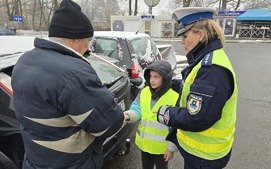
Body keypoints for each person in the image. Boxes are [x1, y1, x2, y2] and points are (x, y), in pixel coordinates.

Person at [11, 0, 126, 168]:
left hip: (35, 161)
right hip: (72, 163)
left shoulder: (24, 61)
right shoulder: (74, 73)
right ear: (76, 40)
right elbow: (109, 123)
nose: (88, 48)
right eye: (88, 41)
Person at [156, 7, 238, 169]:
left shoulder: (211, 68)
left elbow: (198, 117)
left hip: (204, 157)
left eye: (185, 36)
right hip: (202, 153)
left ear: (201, 34)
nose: (182, 41)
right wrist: (170, 83)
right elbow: (196, 91)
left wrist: (166, 113)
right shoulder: (207, 59)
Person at [124, 60, 179, 169]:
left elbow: (176, 126)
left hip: (161, 149)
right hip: (144, 145)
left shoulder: (174, 97)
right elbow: (137, 108)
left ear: (165, 78)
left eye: (156, 77)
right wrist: (128, 115)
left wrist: (171, 148)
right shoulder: (144, 92)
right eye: (150, 76)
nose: (152, 80)